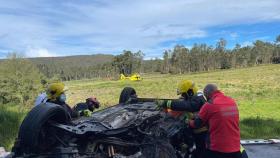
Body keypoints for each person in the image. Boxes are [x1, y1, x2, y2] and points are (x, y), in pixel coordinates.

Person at [156, 80, 207, 158]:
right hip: (195, 130)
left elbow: (188, 106)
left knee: (199, 153)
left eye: (184, 94)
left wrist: (166, 103)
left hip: (202, 134)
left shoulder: (198, 99)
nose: (183, 96)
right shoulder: (194, 98)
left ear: (190, 91)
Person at [189, 84, 241, 158]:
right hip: (235, 148)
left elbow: (197, 123)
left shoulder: (209, 104)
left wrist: (188, 121)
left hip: (217, 150)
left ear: (207, 94)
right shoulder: (231, 101)